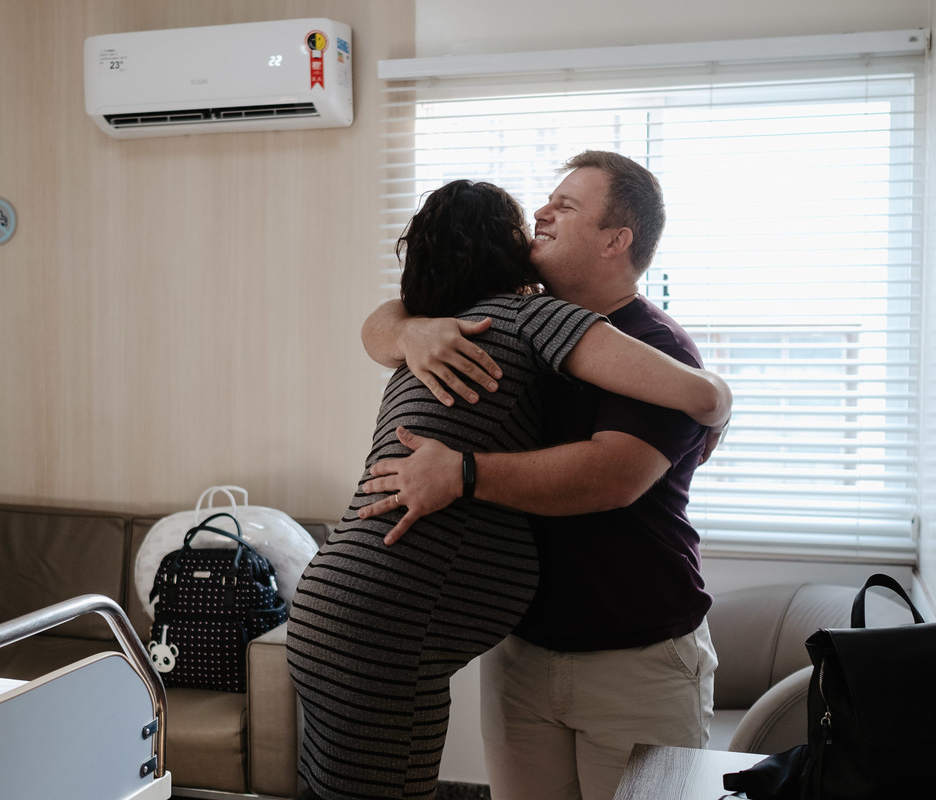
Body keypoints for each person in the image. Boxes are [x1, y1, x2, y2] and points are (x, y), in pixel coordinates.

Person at [285, 178, 730, 800]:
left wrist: (463, 472)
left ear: (615, 240)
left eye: (566, 206)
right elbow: (383, 320)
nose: (543, 212)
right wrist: (407, 329)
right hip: (524, 654)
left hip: (632, 656)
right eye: (541, 204)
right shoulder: (487, 323)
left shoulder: (651, 345)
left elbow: (613, 477)